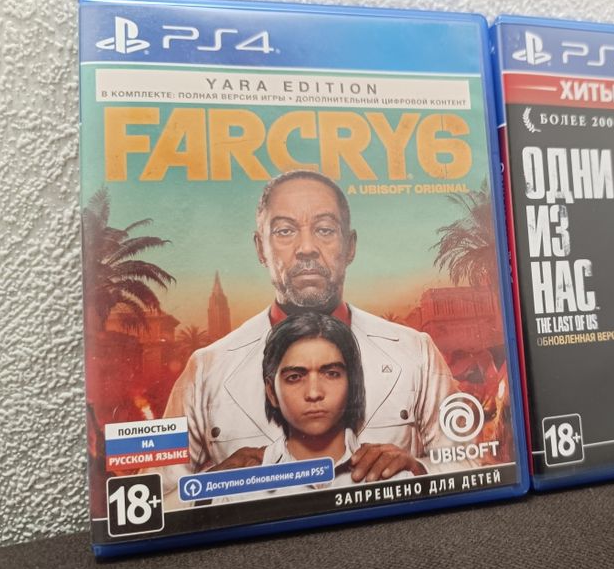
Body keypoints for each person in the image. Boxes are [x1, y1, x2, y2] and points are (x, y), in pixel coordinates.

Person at [159, 170, 465, 501]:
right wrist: (210, 486)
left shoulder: (416, 352)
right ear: (261, 248)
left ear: (350, 246)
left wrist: (418, 470)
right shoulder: (205, 369)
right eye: (285, 231)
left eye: (325, 229)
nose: (306, 248)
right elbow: (152, 500)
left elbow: (473, 464)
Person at [213, 312, 412, 502]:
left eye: (331, 374)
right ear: (271, 392)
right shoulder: (237, 491)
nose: (314, 393)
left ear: (352, 384)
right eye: (295, 377)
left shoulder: (395, 477)